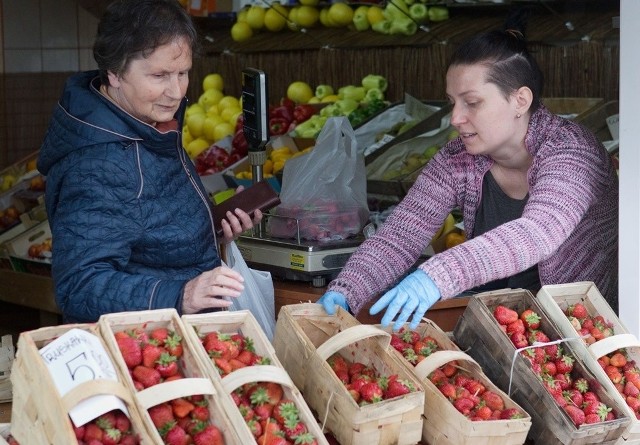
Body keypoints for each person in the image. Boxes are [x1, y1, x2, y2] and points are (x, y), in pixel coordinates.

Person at [318, 19, 619, 331]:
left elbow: (537, 233)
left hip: (583, 337)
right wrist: (347, 290)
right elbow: (401, 235)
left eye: (472, 103)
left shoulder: (572, 152)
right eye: (453, 103)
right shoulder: (457, 159)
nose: (455, 118)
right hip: (501, 332)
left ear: (520, 100)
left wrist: (435, 277)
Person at [37, 0, 262, 323]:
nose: (176, 91)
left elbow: (150, 234)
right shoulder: (97, 163)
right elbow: (80, 286)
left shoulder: (150, 125)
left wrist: (213, 232)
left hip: (179, 335)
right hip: (141, 348)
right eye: (159, 75)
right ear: (114, 73)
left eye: (183, 73)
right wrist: (181, 294)